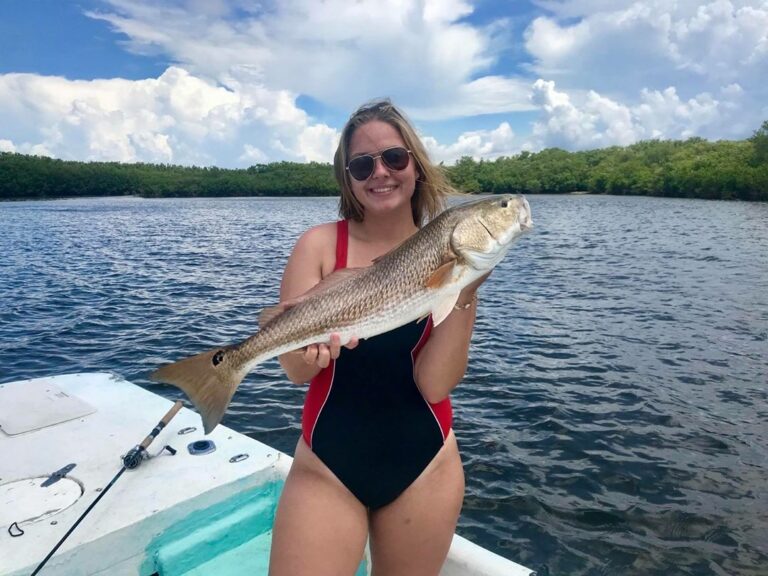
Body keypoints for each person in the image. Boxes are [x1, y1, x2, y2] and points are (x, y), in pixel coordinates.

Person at [269, 99, 489, 576]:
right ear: (347, 177)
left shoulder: (448, 248)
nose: (380, 173)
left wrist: (466, 289)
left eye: (394, 158)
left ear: (416, 165)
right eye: (362, 164)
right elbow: (293, 370)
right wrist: (313, 353)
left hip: (425, 463)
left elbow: (434, 385)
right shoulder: (320, 245)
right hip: (328, 462)